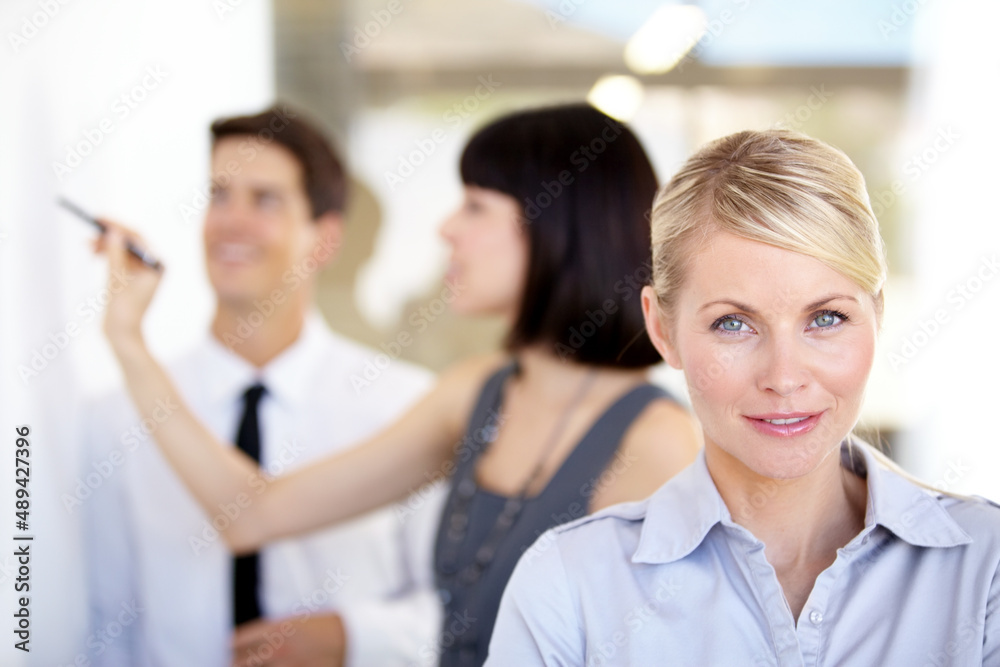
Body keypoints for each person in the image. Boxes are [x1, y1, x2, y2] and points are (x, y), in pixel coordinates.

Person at [96, 104, 702, 667]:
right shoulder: (475, 395)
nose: (445, 229)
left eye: (474, 207)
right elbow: (251, 513)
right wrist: (128, 340)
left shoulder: (657, 444)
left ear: (552, 228)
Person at [485, 129, 1000, 665]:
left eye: (827, 318)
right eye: (733, 324)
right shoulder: (569, 587)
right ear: (662, 330)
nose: (784, 376)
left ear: (879, 315)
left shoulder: (985, 567)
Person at [82, 106, 445, 667]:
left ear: (324, 240)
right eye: (219, 195)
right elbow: (105, 625)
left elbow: (459, 611)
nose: (231, 221)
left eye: (265, 199)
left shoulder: (406, 406)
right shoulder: (119, 415)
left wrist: (353, 637)